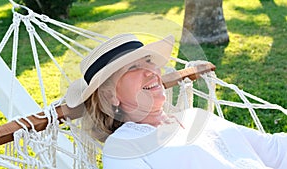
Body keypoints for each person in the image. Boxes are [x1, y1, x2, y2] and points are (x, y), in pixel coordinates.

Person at [65, 33, 287, 169]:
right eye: (133, 68)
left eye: (149, 61)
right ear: (109, 95)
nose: (151, 71)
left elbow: (273, 150)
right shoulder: (123, 148)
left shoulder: (196, 116)